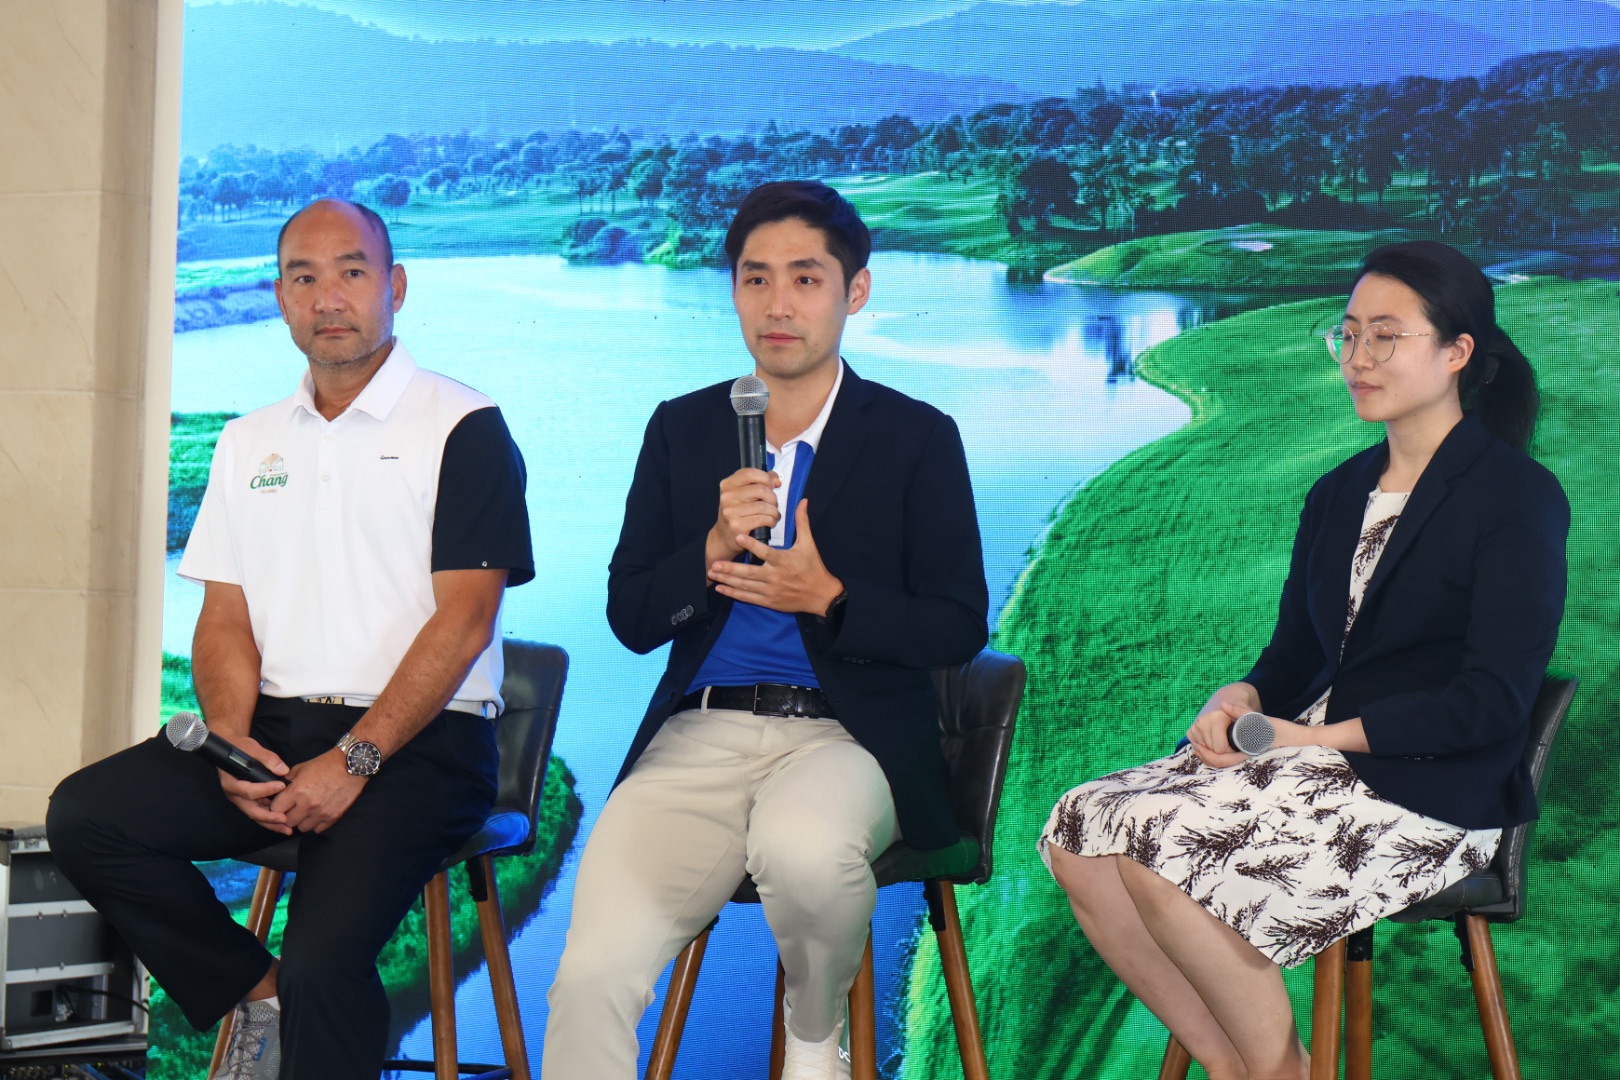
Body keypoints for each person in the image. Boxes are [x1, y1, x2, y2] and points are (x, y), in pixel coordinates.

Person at [1040, 240, 1568, 1080]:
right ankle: (1240, 1066)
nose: (1358, 358)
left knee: (1164, 847)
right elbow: (1291, 656)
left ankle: (1281, 1069)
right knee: (1079, 826)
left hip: (1432, 788)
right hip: (1310, 760)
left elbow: (1491, 702)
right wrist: (1240, 696)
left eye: (1385, 336)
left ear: (1457, 352)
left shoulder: (1517, 498)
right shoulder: (1337, 493)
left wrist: (1313, 740)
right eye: (1348, 335)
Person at [46, 199, 534, 1080]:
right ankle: (257, 992)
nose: (328, 297)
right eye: (304, 277)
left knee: (324, 963)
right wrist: (232, 747)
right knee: (87, 817)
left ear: (395, 287)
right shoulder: (247, 442)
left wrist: (353, 760)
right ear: (279, 297)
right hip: (275, 730)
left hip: (422, 746)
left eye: (351, 272)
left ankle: (297, 995)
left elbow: (465, 620)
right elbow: (225, 618)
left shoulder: (463, 425)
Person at [541, 180, 989, 1080]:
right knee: (590, 979)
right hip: (697, 735)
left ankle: (813, 1038)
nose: (778, 304)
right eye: (756, 279)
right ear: (735, 291)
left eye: (805, 279)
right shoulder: (682, 428)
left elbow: (957, 624)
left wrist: (830, 599)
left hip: (847, 736)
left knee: (805, 852)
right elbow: (632, 617)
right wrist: (709, 549)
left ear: (854, 292)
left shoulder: (916, 436)